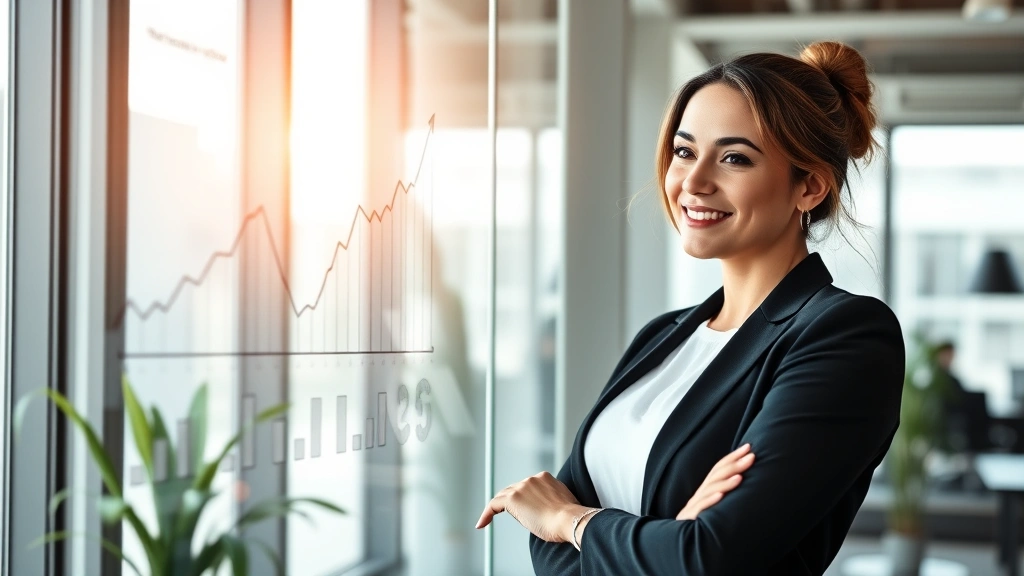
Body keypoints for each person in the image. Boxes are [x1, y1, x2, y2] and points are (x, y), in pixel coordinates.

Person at [475, 41, 905, 575]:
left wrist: (572, 520)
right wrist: (660, 536)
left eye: (734, 158)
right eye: (684, 152)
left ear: (810, 187)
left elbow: (707, 557)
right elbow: (551, 554)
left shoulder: (845, 335)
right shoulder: (663, 336)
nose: (694, 182)